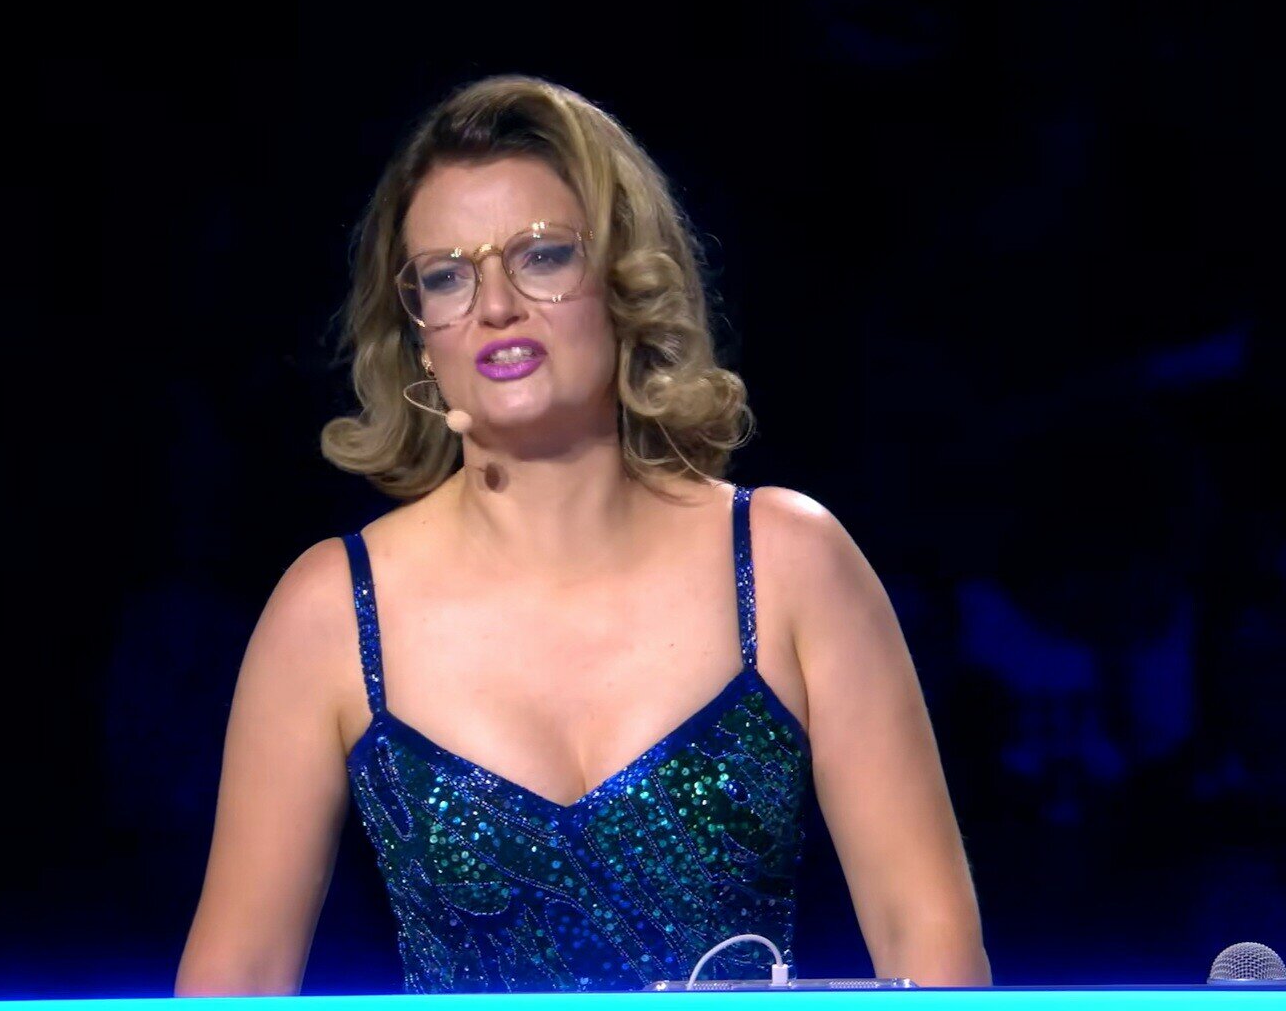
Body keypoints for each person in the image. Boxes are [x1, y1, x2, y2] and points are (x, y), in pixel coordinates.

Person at [174, 75, 991, 995]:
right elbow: (235, 980)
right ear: (419, 337)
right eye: (446, 276)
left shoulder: (790, 563)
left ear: (622, 279)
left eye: (542, 256)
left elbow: (930, 942)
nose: (494, 307)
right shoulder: (329, 612)